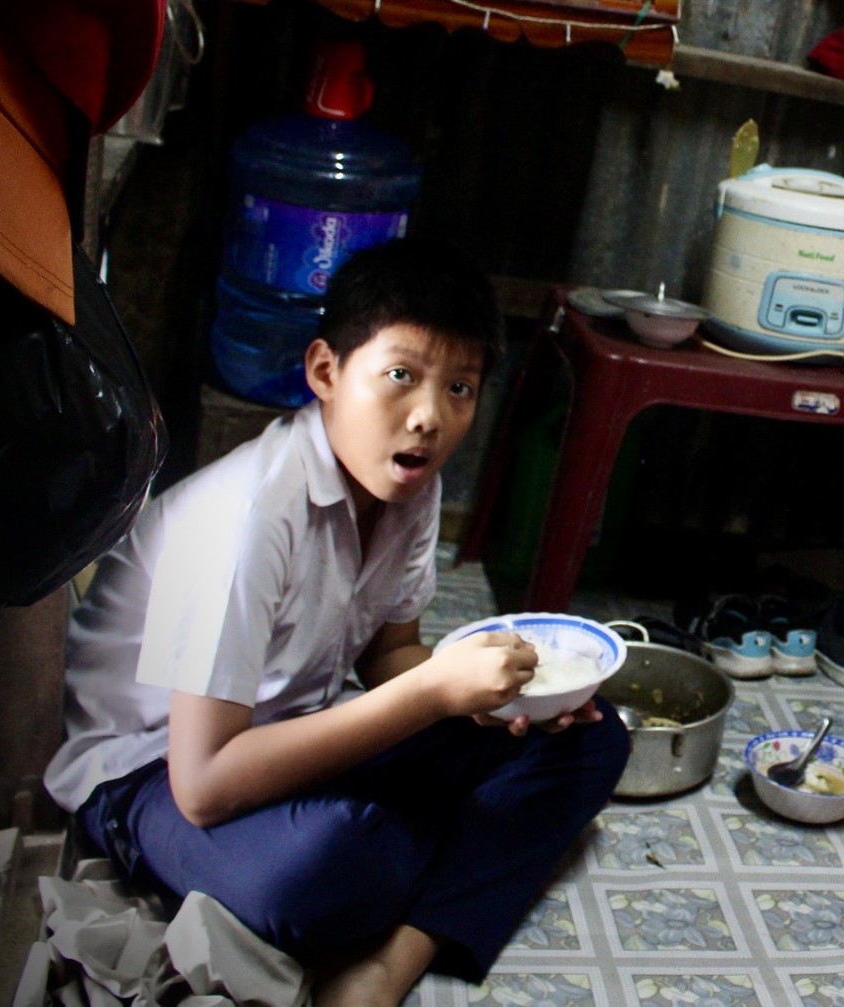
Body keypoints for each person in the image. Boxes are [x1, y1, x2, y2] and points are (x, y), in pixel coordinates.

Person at [45, 239, 631, 1007]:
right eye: (401, 376)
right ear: (325, 372)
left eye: (460, 387)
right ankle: (455, 858)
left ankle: (388, 963)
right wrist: (434, 697)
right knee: (344, 863)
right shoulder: (244, 518)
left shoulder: (410, 486)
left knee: (590, 736)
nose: (428, 416)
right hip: (150, 774)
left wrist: (506, 693)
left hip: (294, 732)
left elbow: (389, 653)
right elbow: (204, 787)